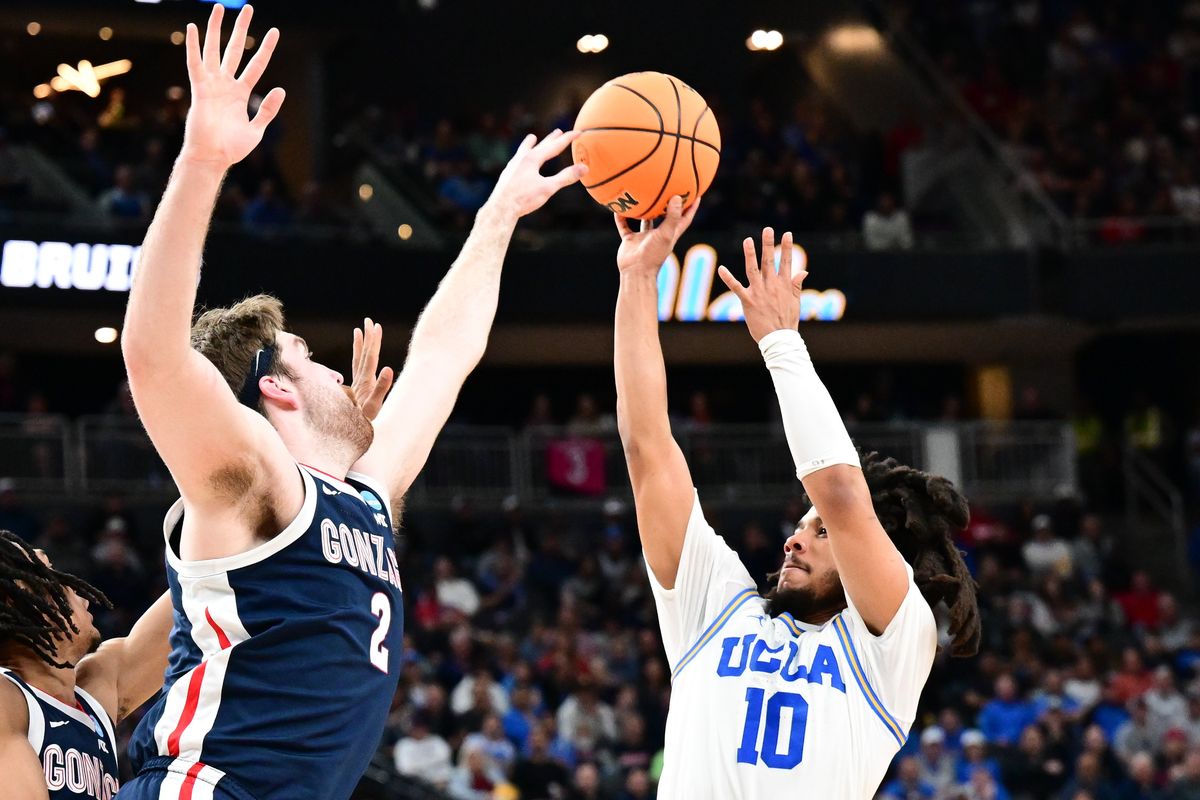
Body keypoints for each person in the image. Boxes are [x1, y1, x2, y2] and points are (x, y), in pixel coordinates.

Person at [117, 6, 585, 800]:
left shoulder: (362, 498)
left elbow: (443, 356)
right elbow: (153, 357)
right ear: (271, 388)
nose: (338, 371)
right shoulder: (253, 475)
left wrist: (498, 217)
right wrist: (202, 161)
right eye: (309, 356)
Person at [611, 203, 980, 796]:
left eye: (821, 532)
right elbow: (646, 447)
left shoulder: (891, 646)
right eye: (803, 526)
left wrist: (782, 343)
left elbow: (838, 491)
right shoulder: (715, 607)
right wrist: (636, 279)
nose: (795, 537)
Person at [0, 530, 172, 799]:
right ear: (15, 597)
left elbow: (199, 596)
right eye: (48, 570)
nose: (70, 584)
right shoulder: (6, 700)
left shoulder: (95, 689)